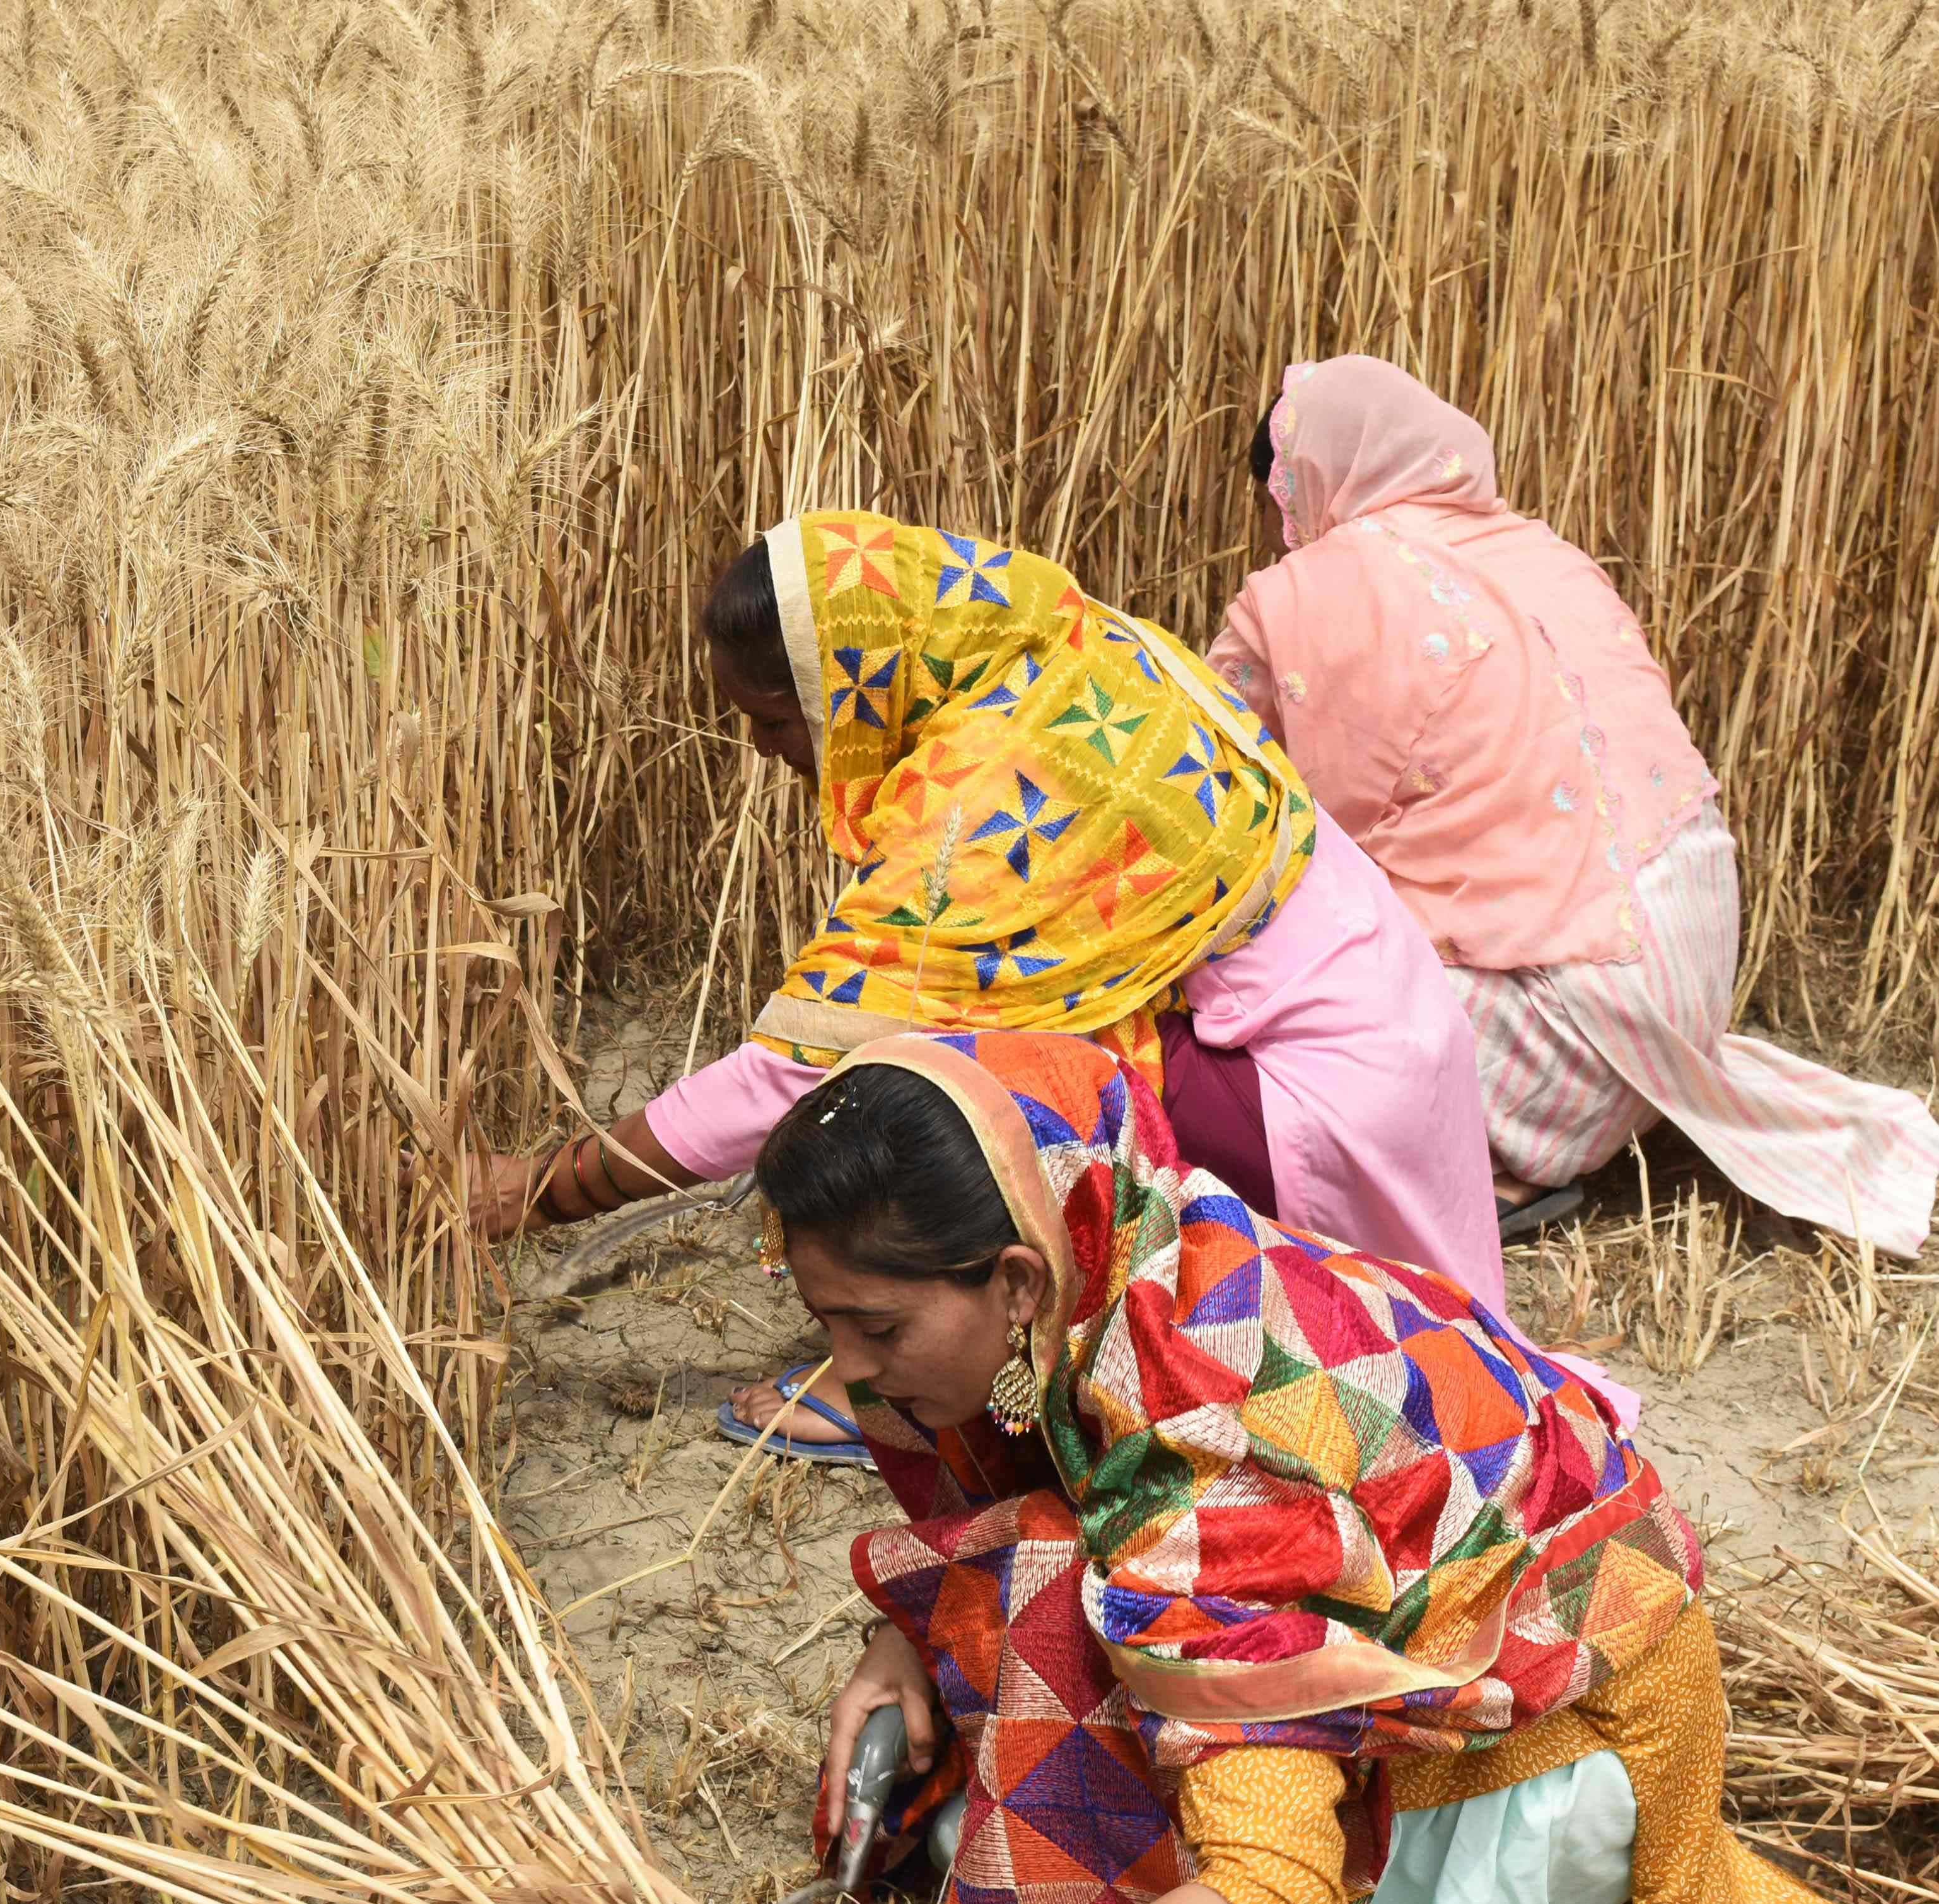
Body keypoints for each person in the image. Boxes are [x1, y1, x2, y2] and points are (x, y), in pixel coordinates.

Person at [675, 1031, 1937, 1904]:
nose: (846, 1371)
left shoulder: (1208, 1461)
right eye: (824, 1322)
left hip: (1558, 1749)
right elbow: (1056, 1497)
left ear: (1016, 1279)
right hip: (1459, 1624)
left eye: (878, 1329)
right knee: (1043, 1599)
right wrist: (903, 1640)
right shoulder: (1129, 1246)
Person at [469, 510, 1508, 1464]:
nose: (762, 751)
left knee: (943, 1080)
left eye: (777, 721)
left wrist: (544, 1188)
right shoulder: (1062, 647)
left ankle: (939, 1380)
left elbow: (794, 1072)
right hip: (1383, 1037)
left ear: (853, 689)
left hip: (1315, 1098)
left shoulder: (997, 782)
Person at [1211, 355, 1939, 1255]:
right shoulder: (1542, 551)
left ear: (1306, 482)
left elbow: (1215, 778)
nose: (1285, 534)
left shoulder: (1303, 596)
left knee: (1247, 975)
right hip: (1687, 986)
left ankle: (1495, 1162)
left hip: (1563, 1038)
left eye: (1281, 505)